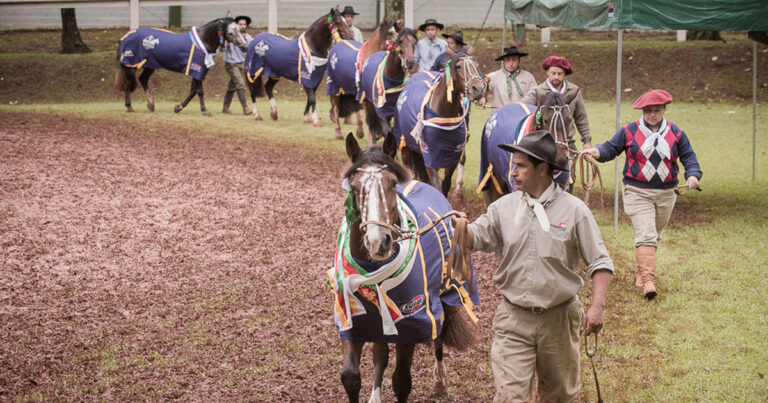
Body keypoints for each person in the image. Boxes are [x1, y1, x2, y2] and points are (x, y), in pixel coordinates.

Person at [461, 129, 614, 401]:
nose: (512, 172)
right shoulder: (504, 207)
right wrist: (459, 230)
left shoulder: (575, 211)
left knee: (559, 397)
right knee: (510, 397)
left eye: (520, 166)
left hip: (560, 319)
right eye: (513, 165)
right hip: (513, 318)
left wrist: (597, 307)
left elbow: (600, 262)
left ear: (542, 169)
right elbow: (477, 235)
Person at [581, 89, 701, 301]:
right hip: (636, 191)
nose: (652, 114)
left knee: (654, 234)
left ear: (664, 110)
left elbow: (689, 157)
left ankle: (642, 269)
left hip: (667, 192)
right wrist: (595, 152)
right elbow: (610, 149)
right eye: (648, 111)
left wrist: (692, 176)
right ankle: (648, 281)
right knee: (646, 234)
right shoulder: (629, 131)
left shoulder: (677, 133)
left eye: (656, 110)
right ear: (642, 111)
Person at [520, 55, 591, 156]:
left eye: (559, 74)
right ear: (547, 72)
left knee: (570, 171)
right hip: (543, 144)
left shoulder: (574, 91)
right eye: (553, 73)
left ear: (564, 74)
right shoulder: (537, 92)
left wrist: (587, 141)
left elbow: (581, 117)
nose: (556, 77)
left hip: (567, 143)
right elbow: (522, 109)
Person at [222, 15, 253, 115]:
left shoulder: (248, 38)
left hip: (241, 63)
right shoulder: (230, 36)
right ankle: (245, 108)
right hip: (231, 63)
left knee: (232, 86)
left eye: (244, 24)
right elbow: (222, 48)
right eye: (240, 24)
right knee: (240, 83)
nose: (243, 26)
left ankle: (225, 107)